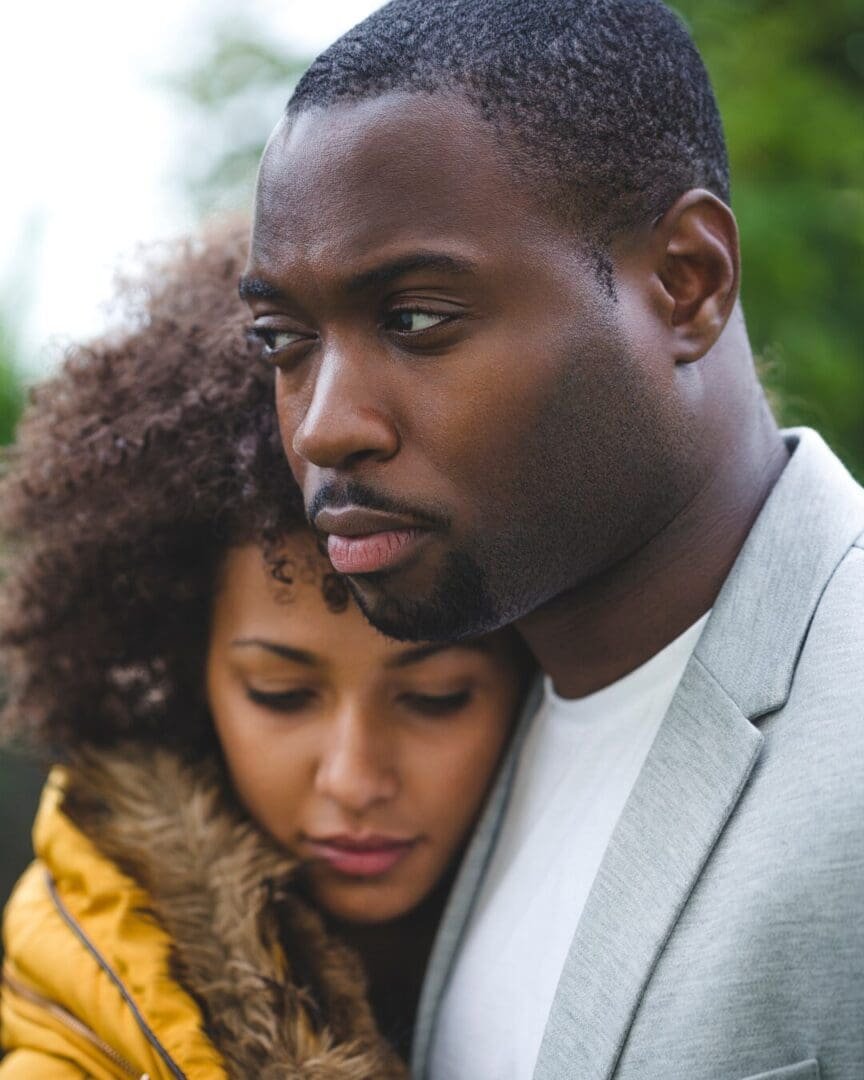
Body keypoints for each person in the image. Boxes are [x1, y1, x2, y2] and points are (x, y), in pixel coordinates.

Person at [242, 1, 864, 1077]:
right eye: (284, 340)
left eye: (416, 319)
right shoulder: (459, 730)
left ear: (687, 282)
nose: (326, 423)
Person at [0, 223, 530, 1078]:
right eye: (280, 694)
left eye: (435, 697)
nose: (354, 780)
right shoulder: (85, 1000)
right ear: (186, 666)